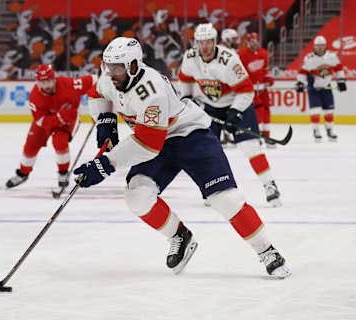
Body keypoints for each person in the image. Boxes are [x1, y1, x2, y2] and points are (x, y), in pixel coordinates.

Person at [73, 36, 290, 278]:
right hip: (157, 140)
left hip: (190, 136)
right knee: (137, 196)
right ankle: (179, 235)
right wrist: (105, 121)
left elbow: (147, 145)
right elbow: (96, 93)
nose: (111, 72)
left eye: (117, 67)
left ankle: (267, 251)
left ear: (133, 66)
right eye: (108, 66)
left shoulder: (150, 90)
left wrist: (105, 165)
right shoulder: (110, 78)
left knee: (224, 198)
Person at [179, 24, 282, 207]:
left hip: (237, 103)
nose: (204, 47)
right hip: (210, 106)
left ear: (215, 41)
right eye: (200, 42)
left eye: (208, 42)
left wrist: (235, 112)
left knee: (250, 147)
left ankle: (270, 185)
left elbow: (246, 90)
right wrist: (187, 97)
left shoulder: (229, 60)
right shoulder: (190, 57)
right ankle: (211, 187)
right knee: (207, 149)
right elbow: (185, 78)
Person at [6, 64, 97, 189]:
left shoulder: (69, 85)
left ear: (54, 79)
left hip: (68, 120)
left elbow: (94, 80)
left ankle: (63, 173)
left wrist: (100, 102)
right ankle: (23, 173)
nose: (47, 86)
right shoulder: (35, 97)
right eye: (43, 82)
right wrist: (59, 117)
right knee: (31, 144)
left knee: (60, 142)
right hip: (49, 120)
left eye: (49, 81)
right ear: (37, 82)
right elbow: (40, 121)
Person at [296, 35, 346, 142]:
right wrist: (300, 82)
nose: (320, 48)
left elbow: (338, 68)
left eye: (322, 46)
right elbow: (303, 72)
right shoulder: (309, 58)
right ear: (314, 47)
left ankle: (330, 130)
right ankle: (316, 131)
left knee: (329, 111)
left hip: (327, 88)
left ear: (325, 46)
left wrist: (341, 80)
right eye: (317, 46)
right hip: (314, 89)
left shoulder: (332, 57)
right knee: (315, 111)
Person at [238, 32, 276, 147]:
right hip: (250, 89)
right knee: (257, 112)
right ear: (247, 43)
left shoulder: (264, 53)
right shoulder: (241, 54)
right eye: (251, 41)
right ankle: (256, 135)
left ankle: (267, 135)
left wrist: (268, 78)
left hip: (263, 89)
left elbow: (265, 69)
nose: (254, 42)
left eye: (255, 40)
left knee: (266, 110)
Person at [219, 28, 240, 148]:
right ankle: (223, 134)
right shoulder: (221, 50)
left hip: (230, 84)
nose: (236, 41)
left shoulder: (231, 50)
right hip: (222, 85)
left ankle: (227, 133)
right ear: (227, 39)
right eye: (233, 39)